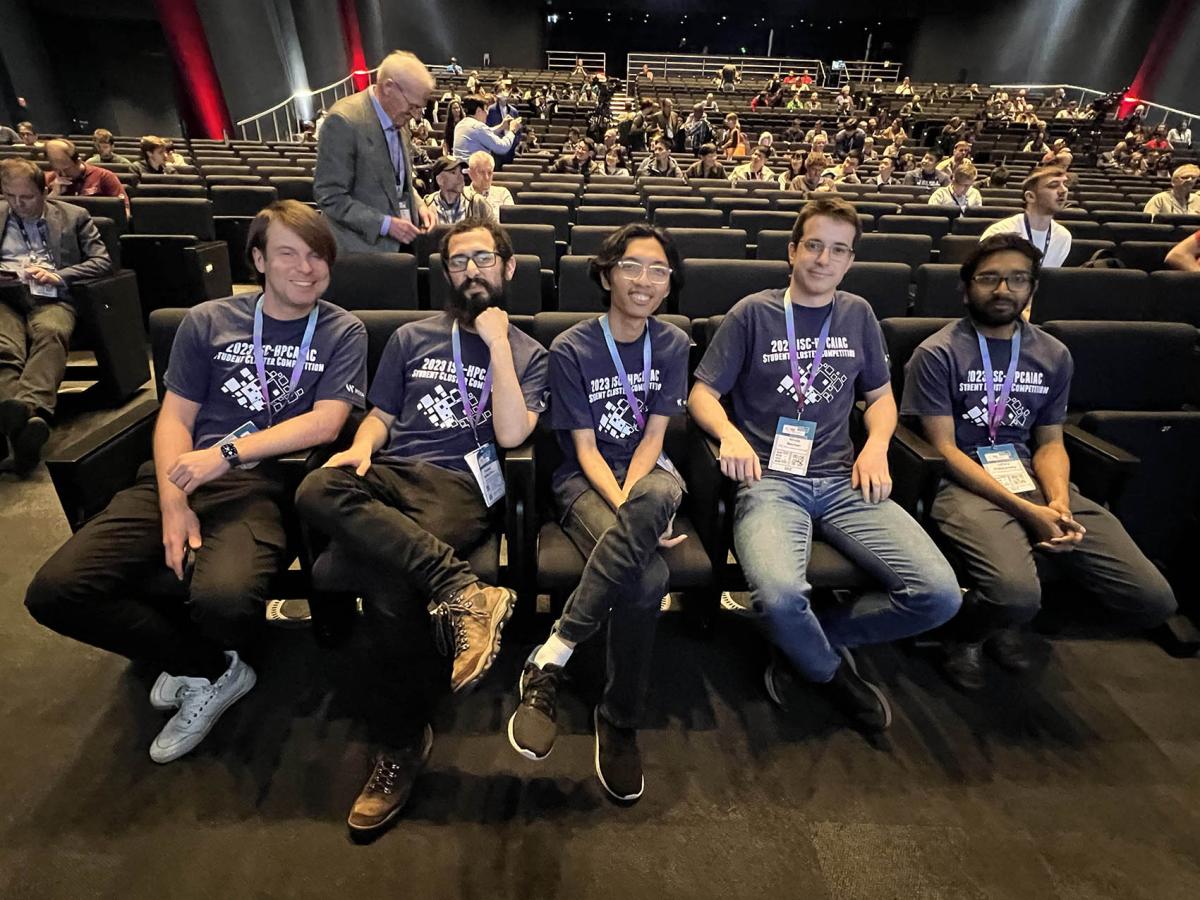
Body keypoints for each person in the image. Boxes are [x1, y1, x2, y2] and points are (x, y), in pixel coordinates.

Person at [24, 201, 367, 760]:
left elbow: (325, 422)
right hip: (179, 475)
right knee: (55, 591)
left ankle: (199, 660)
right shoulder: (208, 321)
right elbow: (175, 419)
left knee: (225, 601)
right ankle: (208, 669)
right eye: (289, 254)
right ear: (257, 259)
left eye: (317, 256)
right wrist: (172, 499)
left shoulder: (340, 329)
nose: (306, 268)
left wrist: (226, 454)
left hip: (261, 488)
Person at [294, 218, 547, 833]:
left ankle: (402, 745)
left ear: (508, 270)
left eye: (484, 259)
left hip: (461, 487)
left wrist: (496, 344)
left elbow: (513, 434)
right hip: (391, 472)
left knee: (386, 579)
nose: (471, 271)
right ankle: (463, 592)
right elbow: (381, 413)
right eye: (459, 262)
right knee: (316, 485)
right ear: (446, 274)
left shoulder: (532, 353)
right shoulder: (411, 337)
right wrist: (362, 446)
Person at [688, 196, 960, 735]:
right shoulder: (753, 313)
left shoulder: (857, 314)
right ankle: (830, 673)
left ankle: (802, 639)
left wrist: (877, 444)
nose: (822, 259)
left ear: (850, 260)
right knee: (780, 595)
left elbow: (880, 399)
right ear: (793, 251)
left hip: (842, 478)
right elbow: (702, 394)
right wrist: (730, 435)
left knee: (939, 595)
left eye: (838, 250)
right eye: (813, 245)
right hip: (768, 481)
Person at [901, 234, 1176, 690]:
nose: (1002, 290)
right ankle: (967, 634)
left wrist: (1057, 502)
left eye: (1016, 279)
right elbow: (944, 450)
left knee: (1151, 598)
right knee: (1015, 593)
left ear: (1032, 288)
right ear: (966, 288)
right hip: (965, 484)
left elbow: (1050, 441)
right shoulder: (938, 353)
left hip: (1035, 479)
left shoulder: (1053, 353)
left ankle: (1011, 622)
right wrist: (1027, 511)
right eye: (989, 278)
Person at [508, 222, 690, 801]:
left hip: (647, 475)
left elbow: (654, 437)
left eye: (659, 270)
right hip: (583, 484)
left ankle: (554, 652)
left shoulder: (674, 343)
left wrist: (643, 506)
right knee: (650, 576)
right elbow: (584, 449)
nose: (645, 280)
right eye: (632, 266)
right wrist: (631, 515)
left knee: (660, 492)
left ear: (669, 284)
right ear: (607, 273)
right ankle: (619, 718)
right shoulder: (573, 347)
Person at [0, 158, 113, 473]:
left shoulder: (74, 216)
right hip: (5, 298)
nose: (18, 204)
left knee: (51, 334)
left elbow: (101, 261)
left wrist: (59, 276)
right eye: (10, 196)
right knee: (3, 349)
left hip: (52, 297)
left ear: (44, 191)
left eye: (27, 197)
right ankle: (26, 424)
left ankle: (25, 410)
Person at [314, 50, 438, 254]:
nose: (415, 115)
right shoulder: (343, 121)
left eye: (419, 108)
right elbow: (330, 197)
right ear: (389, 87)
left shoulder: (398, 117)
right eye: (412, 106)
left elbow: (397, 183)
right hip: (359, 253)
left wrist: (419, 205)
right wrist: (385, 224)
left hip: (399, 249)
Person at [980, 166, 1072, 269]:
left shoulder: (1064, 238)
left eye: (1064, 184)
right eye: (1053, 185)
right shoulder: (999, 233)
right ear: (1030, 197)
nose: (1063, 190)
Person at [44, 139, 128, 212]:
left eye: (66, 169)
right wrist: (54, 194)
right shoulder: (48, 179)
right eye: (57, 169)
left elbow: (125, 211)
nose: (62, 174)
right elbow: (38, 217)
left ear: (78, 161)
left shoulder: (105, 176)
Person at [423, 156, 492, 225]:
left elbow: (494, 231)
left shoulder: (476, 202)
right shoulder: (427, 205)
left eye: (461, 172)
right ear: (440, 180)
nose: (460, 177)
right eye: (453, 173)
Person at [452, 95, 521, 163]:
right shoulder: (478, 126)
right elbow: (502, 147)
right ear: (479, 111)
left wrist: (501, 126)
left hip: (460, 170)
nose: (487, 113)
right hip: (474, 171)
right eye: (485, 109)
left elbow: (485, 133)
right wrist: (512, 130)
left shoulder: (460, 125)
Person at [463, 150, 513, 218]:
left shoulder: (503, 193)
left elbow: (510, 222)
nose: (486, 178)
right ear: (470, 173)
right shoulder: (462, 195)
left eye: (490, 173)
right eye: (481, 172)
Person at [485, 89, 523, 168]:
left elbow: (518, 131)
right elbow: (487, 129)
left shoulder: (514, 111)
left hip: (510, 149)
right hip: (496, 148)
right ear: (497, 95)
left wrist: (513, 145)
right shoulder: (491, 110)